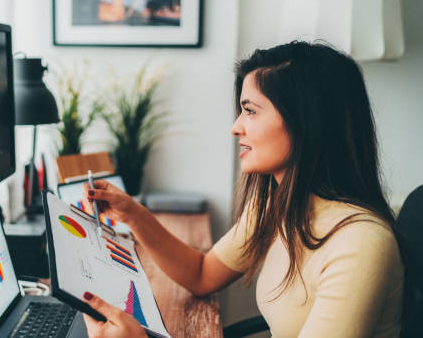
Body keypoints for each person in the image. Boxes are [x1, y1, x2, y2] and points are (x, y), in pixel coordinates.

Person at [79, 41, 405, 338]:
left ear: (306, 122)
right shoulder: (278, 206)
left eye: (249, 111)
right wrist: (133, 215)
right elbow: (202, 274)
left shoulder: (359, 242)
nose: (236, 128)